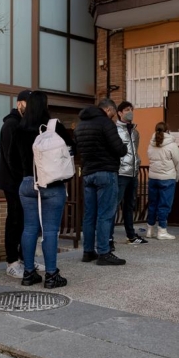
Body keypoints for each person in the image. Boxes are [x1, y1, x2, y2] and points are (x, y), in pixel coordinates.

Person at [11, 91, 74, 288]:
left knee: (29, 228)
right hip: (51, 185)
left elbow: (11, 158)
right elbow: (72, 148)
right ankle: (51, 275)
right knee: (50, 231)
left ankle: (28, 273)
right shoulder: (54, 127)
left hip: (27, 184)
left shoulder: (18, 128)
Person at [74, 98, 127, 266]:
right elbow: (119, 149)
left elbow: (78, 150)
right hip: (106, 172)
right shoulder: (106, 123)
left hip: (88, 173)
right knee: (105, 214)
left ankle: (88, 251)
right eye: (113, 112)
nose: (113, 116)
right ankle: (104, 252)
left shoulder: (80, 125)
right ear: (109, 110)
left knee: (89, 215)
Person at [0, 89, 45, 278]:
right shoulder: (10, 125)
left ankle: (25, 259)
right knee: (15, 220)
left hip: (24, 182)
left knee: (27, 222)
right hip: (13, 182)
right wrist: (24, 178)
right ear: (20, 103)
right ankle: (12, 262)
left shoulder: (25, 124)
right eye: (28, 103)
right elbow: (12, 158)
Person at [109, 101, 148, 246]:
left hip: (133, 172)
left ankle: (131, 236)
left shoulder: (135, 132)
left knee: (130, 205)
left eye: (131, 109)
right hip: (120, 172)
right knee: (114, 205)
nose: (130, 111)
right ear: (119, 113)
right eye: (126, 109)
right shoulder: (114, 130)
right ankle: (109, 237)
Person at [146, 122, 179, 240]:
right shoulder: (172, 145)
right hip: (167, 178)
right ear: (167, 130)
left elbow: (150, 157)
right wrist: (176, 177)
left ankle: (150, 229)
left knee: (152, 203)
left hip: (153, 178)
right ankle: (162, 230)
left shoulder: (151, 143)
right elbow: (178, 162)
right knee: (164, 205)